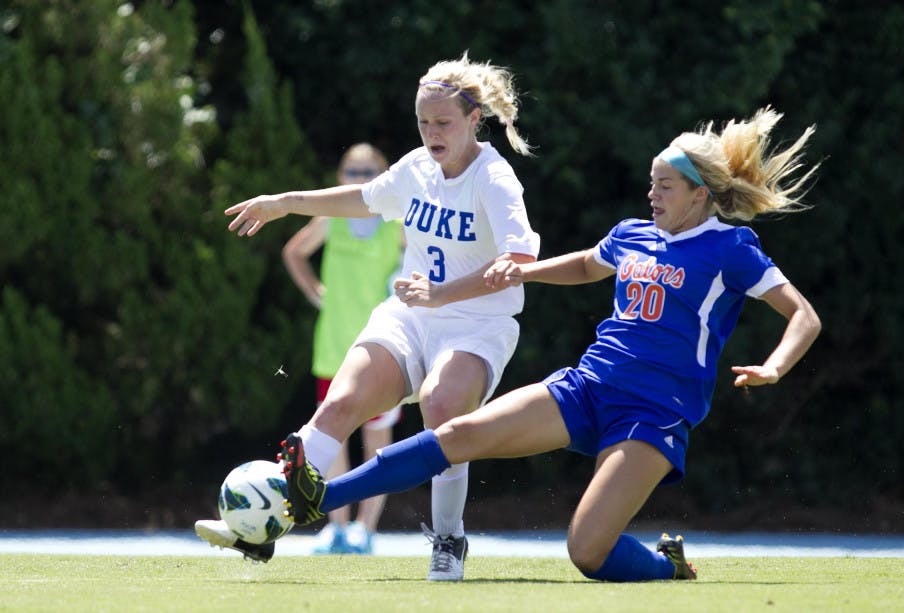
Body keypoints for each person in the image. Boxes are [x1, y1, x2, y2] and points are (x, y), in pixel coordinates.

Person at [277, 107, 822, 582]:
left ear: (701, 193)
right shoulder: (635, 232)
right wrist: (522, 273)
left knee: (586, 551)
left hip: (654, 413)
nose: (651, 194)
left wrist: (774, 367)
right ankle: (320, 498)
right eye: (651, 183)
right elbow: (588, 263)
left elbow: (803, 316)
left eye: (664, 187)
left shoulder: (731, 247)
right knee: (457, 432)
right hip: (588, 387)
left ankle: (667, 565)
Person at [203, 53, 541, 580]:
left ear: (475, 119)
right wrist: (284, 202)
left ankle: (448, 540)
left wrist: (443, 294)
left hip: (477, 326)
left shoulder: (494, 179)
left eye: (443, 122)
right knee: (338, 403)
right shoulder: (416, 168)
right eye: (424, 121)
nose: (432, 132)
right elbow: (363, 199)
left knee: (442, 407)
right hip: (410, 318)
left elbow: (520, 262)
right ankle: (262, 527)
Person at [282, 143, 402, 555]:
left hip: (382, 348)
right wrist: (316, 292)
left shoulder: (395, 222)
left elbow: (424, 259)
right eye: (352, 172)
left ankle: (365, 530)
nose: (360, 179)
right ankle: (336, 525)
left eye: (369, 172)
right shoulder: (331, 218)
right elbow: (294, 252)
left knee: (377, 442)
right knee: (330, 438)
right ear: (340, 178)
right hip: (334, 346)